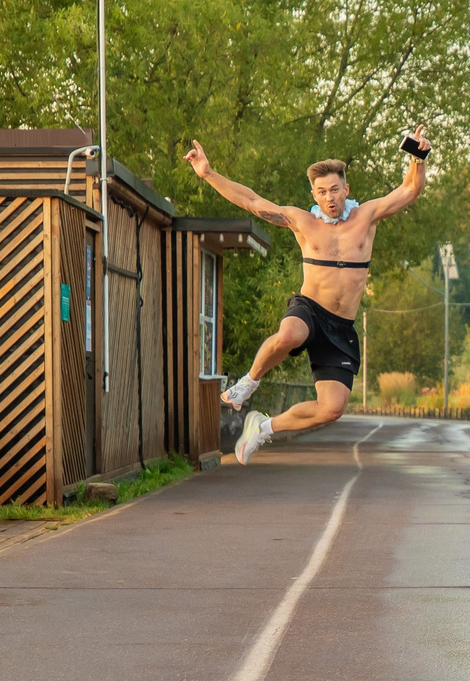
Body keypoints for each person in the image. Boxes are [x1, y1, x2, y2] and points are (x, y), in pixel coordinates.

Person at [183, 128, 430, 462]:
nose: (330, 198)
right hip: (309, 309)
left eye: (335, 190)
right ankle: (248, 382)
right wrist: (208, 173)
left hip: (340, 328)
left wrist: (418, 158)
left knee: (332, 409)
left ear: (347, 189)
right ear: (314, 195)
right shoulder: (302, 221)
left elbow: (410, 189)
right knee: (290, 334)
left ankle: (264, 428)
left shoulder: (367, 217)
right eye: (322, 192)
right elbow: (254, 202)